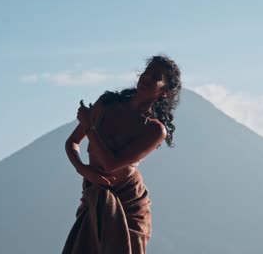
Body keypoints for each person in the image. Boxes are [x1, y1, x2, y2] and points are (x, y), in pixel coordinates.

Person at [62, 55, 182, 254]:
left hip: (128, 206)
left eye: (156, 77)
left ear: (165, 92)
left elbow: (111, 164)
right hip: (93, 197)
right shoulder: (106, 105)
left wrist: (89, 126)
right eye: (147, 72)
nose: (147, 78)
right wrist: (84, 170)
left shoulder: (154, 130)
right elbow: (72, 142)